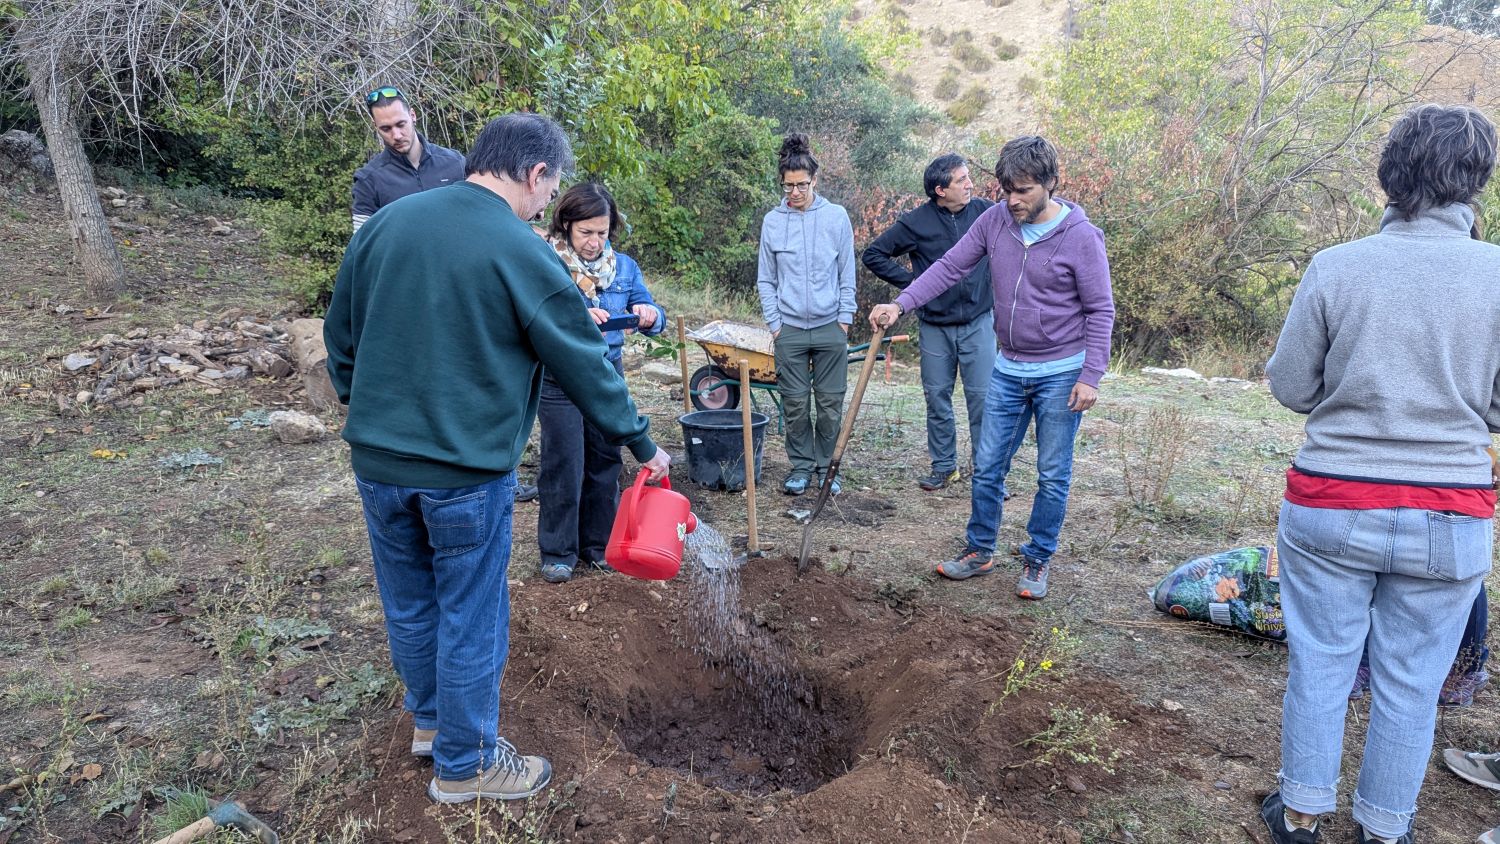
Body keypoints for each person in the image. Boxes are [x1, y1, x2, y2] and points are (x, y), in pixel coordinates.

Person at [324, 113, 671, 804]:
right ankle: (468, 763)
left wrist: (364, 408)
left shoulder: (390, 224)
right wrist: (638, 440)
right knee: (470, 612)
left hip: (378, 463)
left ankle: (429, 721)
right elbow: (582, 359)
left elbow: (341, 336)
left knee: (411, 600)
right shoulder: (520, 249)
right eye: (551, 189)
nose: (548, 205)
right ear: (535, 174)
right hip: (463, 471)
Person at [1259, 104, 1500, 844]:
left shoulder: (1337, 266)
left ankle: (1300, 815)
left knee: (1323, 665)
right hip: (1452, 514)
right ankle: (1384, 831)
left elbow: (1292, 387)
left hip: (1332, 503)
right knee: (1412, 686)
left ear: (1391, 176)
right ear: (1478, 181)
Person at [869, 135, 1114, 600]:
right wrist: (900, 304)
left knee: (1052, 472)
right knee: (987, 466)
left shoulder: (1081, 236)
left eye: (1023, 190)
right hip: (1009, 366)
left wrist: (1091, 375)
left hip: (1062, 371)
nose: (1012, 200)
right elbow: (947, 268)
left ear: (1050, 184)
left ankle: (1038, 558)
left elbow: (1101, 310)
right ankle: (979, 550)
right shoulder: (994, 221)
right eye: (1006, 189)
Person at [536, 183, 667, 583]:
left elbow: (657, 316)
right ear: (567, 225)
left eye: (602, 232)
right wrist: (577, 319)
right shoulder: (547, 264)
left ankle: (598, 546)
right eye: (585, 233)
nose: (594, 242)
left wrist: (648, 313)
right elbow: (537, 317)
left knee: (606, 460)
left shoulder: (624, 268)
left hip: (608, 374)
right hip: (559, 379)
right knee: (565, 463)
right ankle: (558, 552)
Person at [863, 153, 996, 492]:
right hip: (935, 326)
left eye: (968, 177)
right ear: (940, 190)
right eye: (961, 180)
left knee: (983, 400)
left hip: (980, 322)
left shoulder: (985, 212)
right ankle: (944, 468)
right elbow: (873, 254)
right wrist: (914, 285)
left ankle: (987, 474)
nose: (970, 184)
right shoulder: (916, 222)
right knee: (937, 398)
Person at [756, 133, 857, 497]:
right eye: (788, 186)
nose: (794, 192)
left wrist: (844, 319)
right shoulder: (773, 221)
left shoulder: (836, 217)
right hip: (791, 330)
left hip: (831, 326)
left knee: (830, 405)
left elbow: (848, 273)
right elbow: (766, 279)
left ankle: (828, 468)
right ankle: (800, 467)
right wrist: (776, 325)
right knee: (796, 405)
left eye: (801, 185)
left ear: (815, 180)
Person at [351, 86, 466, 233]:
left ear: (413, 115)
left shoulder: (455, 163)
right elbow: (362, 245)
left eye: (401, 124)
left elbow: (478, 215)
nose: (396, 135)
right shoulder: (368, 180)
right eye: (386, 129)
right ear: (376, 127)